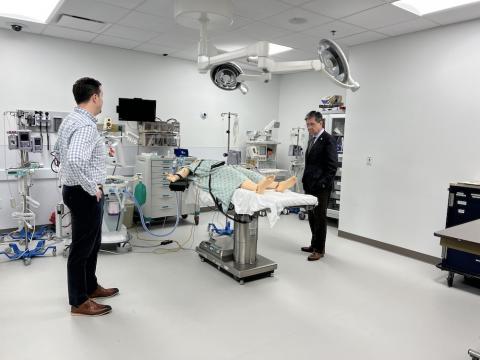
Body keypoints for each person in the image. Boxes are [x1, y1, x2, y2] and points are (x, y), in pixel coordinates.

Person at [55, 77, 118, 316]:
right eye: (101, 96)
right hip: (84, 193)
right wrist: (92, 187)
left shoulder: (71, 120)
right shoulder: (86, 126)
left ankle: (90, 287)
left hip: (76, 189)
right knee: (82, 248)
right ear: (94, 97)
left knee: (92, 244)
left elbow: (58, 152)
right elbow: (74, 159)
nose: (102, 101)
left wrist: (100, 150)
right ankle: (79, 301)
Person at [167, 160, 297, 210]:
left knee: (249, 173)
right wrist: (176, 176)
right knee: (236, 177)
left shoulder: (203, 160)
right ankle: (257, 188)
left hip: (224, 166)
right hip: (214, 174)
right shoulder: (191, 166)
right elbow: (184, 171)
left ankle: (278, 185)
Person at [301, 111, 338, 261]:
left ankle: (319, 249)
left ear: (320, 122)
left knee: (320, 218)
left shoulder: (328, 140)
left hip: (321, 187)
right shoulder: (312, 140)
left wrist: (323, 184)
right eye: (307, 124)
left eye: (312, 124)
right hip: (310, 186)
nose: (309, 127)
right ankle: (313, 244)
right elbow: (310, 164)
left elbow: (332, 166)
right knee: (311, 216)